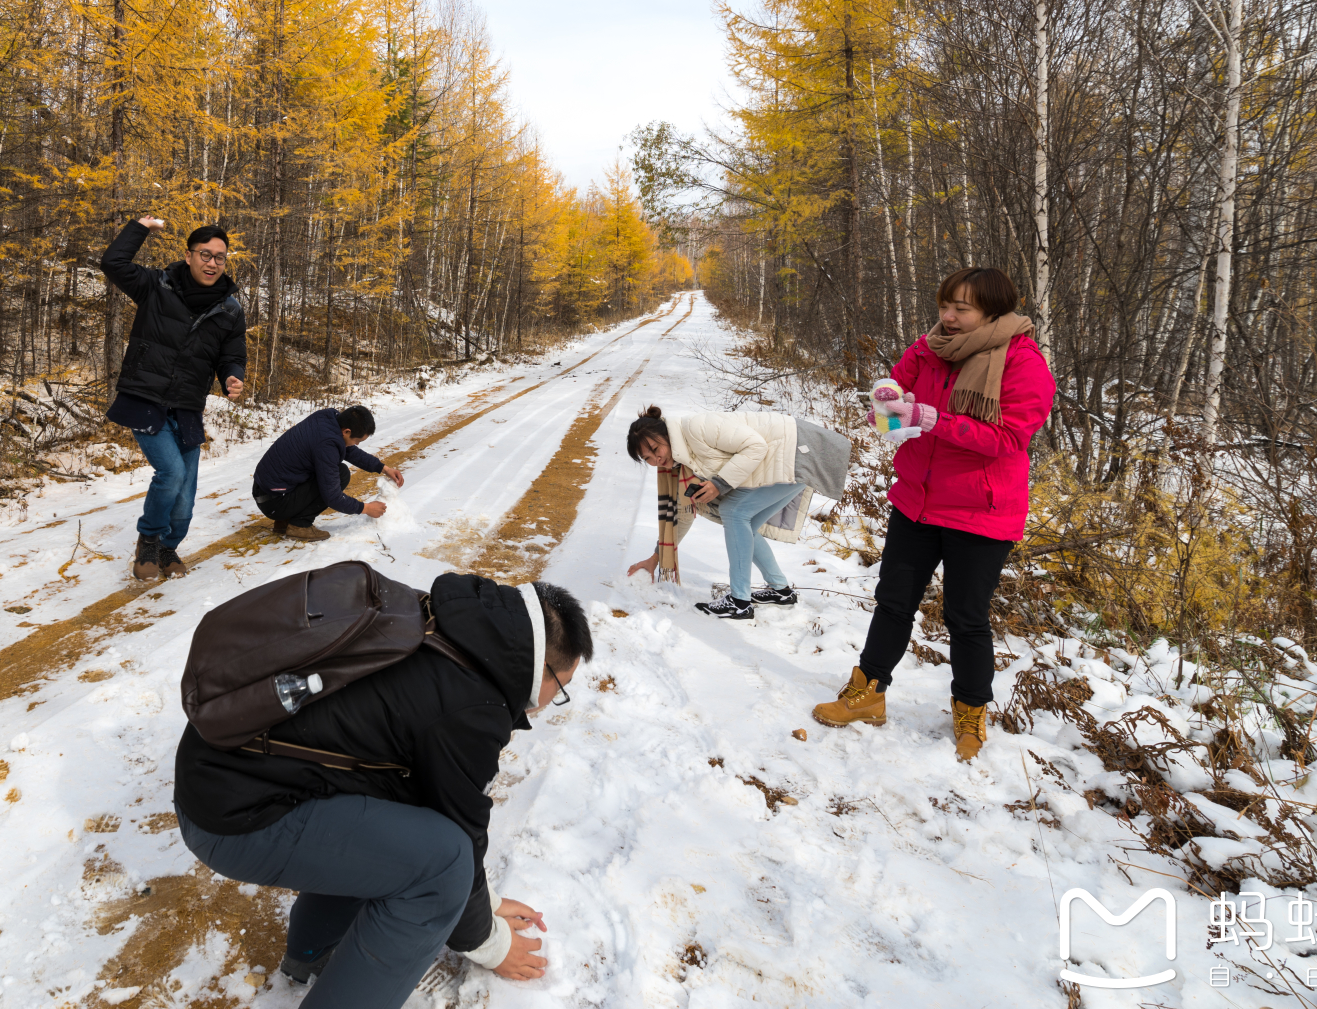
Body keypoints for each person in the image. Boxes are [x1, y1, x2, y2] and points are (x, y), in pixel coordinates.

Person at [174, 575, 593, 1009]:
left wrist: (487, 903)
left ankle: (312, 952)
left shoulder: (437, 618)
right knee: (440, 866)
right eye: (559, 689)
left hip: (216, 770)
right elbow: (459, 838)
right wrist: (490, 942)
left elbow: (428, 797)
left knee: (403, 818)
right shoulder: (472, 707)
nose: (548, 702)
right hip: (235, 817)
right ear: (541, 667)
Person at [811, 266, 1054, 762]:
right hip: (917, 501)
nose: (948, 316)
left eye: (961, 309)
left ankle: (970, 711)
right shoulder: (928, 348)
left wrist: (933, 420)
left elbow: (1006, 440)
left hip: (980, 511)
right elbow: (894, 400)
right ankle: (868, 693)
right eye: (945, 305)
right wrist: (885, 408)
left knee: (965, 617)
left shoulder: (1023, 363)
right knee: (893, 601)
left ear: (992, 311)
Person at [100, 216, 247, 581]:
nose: (213, 263)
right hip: (145, 397)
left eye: (220, 257)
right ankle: (148, 540)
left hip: (187, 405)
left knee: (186, 492)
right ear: (188, 255)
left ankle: (169, 547)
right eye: (205, 254)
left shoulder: (230, 309)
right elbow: (113, 264)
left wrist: (232, 376)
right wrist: (140, 228)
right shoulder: (157, 285)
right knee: (172, 473)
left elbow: (233, 354)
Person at [621, 406, 851, 619]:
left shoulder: (696, 427)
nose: (657, 459)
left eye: (655, 448)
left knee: (733, 512)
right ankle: (780, 591)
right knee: (743, 523)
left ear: (666, 435)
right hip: (792, 457)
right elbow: (682, 516)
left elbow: (756, 446)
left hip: (801, 452)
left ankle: (739, 601)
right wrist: (655, 558)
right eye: (648, 458)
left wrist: (719, 484)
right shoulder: (681, 465)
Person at [251, 405, 406, 541]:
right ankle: (299, 525)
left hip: (267, 491)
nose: (356, 444)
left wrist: (384, 468)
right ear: (346, 431)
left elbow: (348, 449)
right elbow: (333, 497)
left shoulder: (329, 418)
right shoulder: (327, 445)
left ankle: (287, 519)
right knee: (340, 475)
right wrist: (366, 508)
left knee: (335, 472)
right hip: (273, 502)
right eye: (357, 441)